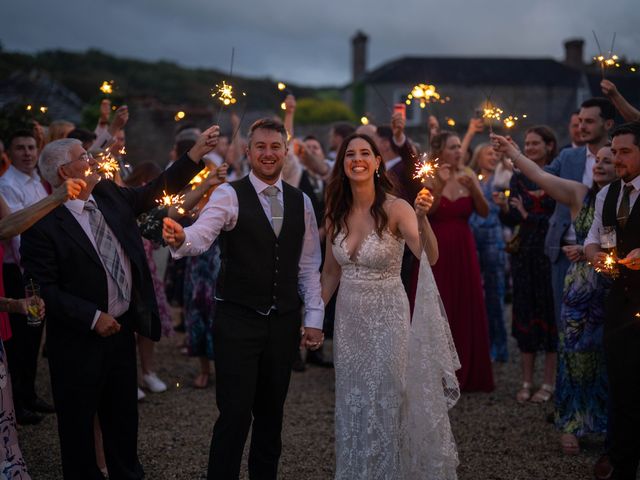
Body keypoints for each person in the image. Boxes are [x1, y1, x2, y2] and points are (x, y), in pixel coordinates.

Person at [20, 126, 217, 480]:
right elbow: (42, 288)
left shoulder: (109, 194)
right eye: (83, 156)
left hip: (123, 329)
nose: (92, 158)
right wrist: (93, 316)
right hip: (79, 341)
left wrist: (195, 155)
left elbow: (156, 190)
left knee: (123, 419)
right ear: (65, 172)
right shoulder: (41, 225)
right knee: (78, 425)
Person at [162, 118, 324, 480]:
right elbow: (201, 236)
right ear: (248, 152)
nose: (268, 153)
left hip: (282, 324)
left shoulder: (302, 202)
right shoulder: (228, 194)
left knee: (271, 416)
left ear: (286, 151)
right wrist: (180, 239)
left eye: (275, 147)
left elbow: (309, 265)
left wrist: (314, 317)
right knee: (234, 415)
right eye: (261, 147)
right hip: (237, 321)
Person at [321, 132, 459, 479]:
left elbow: (430, 255)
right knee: (353, 399)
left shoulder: (397, 207)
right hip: (349, 320)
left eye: (365, 153)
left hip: (388, 317)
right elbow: (331, 271)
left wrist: (423, 218)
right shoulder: (336, 211)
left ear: (377, 162)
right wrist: (311, 318)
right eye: (350, 154)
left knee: (387, 397)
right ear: (343, 164)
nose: (357, 159)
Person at [493, 134, 616, 456]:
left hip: (617, 287)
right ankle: (572, 423)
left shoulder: (625, 199)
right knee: (574, 356)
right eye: (598, 160)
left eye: (609, 159)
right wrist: (514, 152)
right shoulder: (579, 194)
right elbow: (540, 176)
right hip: (582, 286)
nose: (601, 164)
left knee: (607, 360)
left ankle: (604, 423)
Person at [417, 130, 494, 392]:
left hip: (464, 246)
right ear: (441, 151)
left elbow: (484, 212)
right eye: (452, 147)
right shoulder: (430, 176)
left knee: (466, 302)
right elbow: (430, 211)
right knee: (440, 304)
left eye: (460, 146)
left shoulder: (470, 175)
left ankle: (469, 371)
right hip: (437, 246)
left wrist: (474, 190)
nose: (459, 151)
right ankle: (437, 373)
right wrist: (438, 185)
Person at [585, 122, 640, 480]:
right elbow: (591, 239)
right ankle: (622, 461)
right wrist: (597, 259)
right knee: (621, 383)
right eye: (614, 151)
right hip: (619, 301)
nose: (617, 159)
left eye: (625, 152)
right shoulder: (607, 194)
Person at [495, 126, 558, 403]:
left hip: (548, 255)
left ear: (549, 146)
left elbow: (559, 218)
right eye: (527, 143)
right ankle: (525, 380)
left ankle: (548, 383)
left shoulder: (557, 176)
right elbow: (511, 222)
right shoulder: (518, 179)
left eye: (535, 144)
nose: (530, 148)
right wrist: (505, 209)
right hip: (523, 256)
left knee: (550, 317)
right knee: (524, 315)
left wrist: (526, 214)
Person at [545, 98, 615, 330]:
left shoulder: (622, 157)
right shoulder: (568, 157)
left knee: (600, 325)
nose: (581, 127)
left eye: (589, 121)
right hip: (564, 253)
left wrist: (588, 251)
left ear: (608, 124)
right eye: (580, 121)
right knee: (565, 323)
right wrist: (514, 157)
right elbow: (543, 177)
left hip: (605, 258)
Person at [0, 129, 52, 425]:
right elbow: (20, 233)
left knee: (34, 334)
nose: (28, 153)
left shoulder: (36, 182)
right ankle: (17, 402)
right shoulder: (7, 185)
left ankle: (29, 393)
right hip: (16, 270)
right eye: (20, 148)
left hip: (36, 267)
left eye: (31, 147)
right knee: (19, 338)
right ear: (11, 152)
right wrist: (31, 273)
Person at [469, 143, 511, 362]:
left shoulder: (501, 178)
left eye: (496, 154)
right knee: (475, 294)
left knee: (495, 295)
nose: (493, 157)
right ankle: (478, 345)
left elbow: (510, 167)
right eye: (489, 153)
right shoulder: (471, 179)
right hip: (471, 238)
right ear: (478, 156)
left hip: (493, 239)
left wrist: (504, 154)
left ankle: (499, 347)